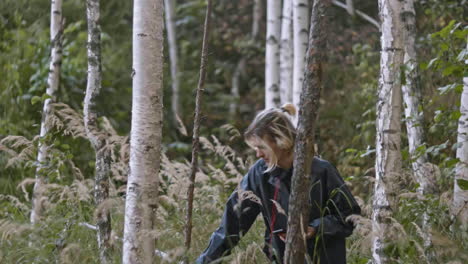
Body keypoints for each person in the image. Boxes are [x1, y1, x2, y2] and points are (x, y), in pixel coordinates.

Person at [196, 104, 361, 264]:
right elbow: (231, 226)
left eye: (262, 147)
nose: (258, 154)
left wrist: (315, 228)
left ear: (282, 141)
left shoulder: (321, 171)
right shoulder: (258, 174)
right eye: (255, 148)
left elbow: (349, 216)